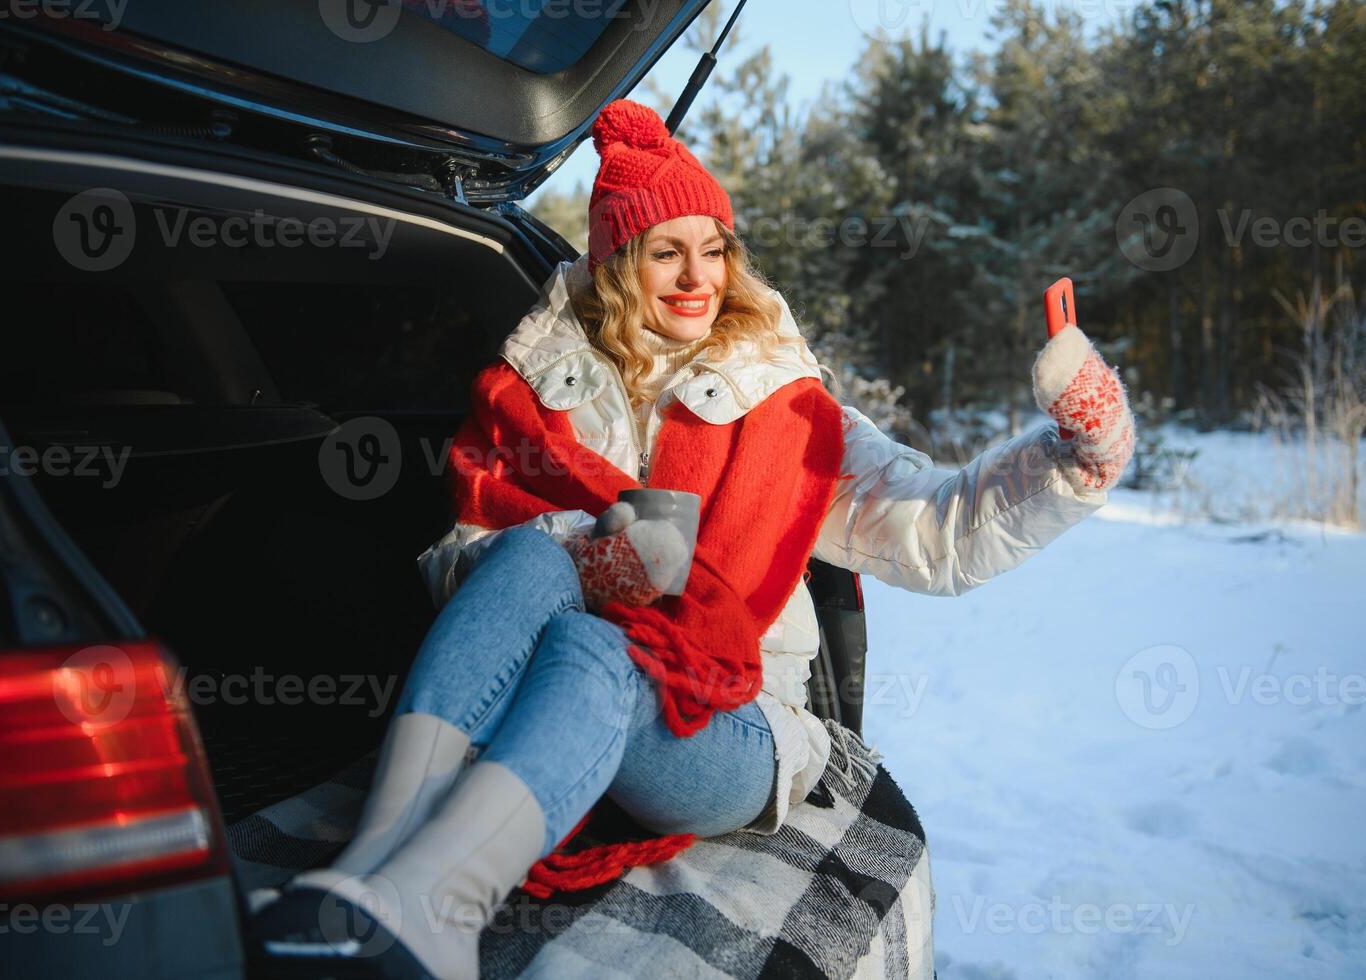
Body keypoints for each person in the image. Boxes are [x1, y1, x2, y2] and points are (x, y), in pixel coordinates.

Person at [252, 99, 1136, 979]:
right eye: (664, 252)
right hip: (536, 690)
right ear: (615, 262)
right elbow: (460, 566)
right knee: (527, 555)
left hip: (728, 727)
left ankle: (445, 908)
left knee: (597, 646)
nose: (694, 277)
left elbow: (937, 532)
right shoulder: (527, 397)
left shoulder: (786, 409)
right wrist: (587, 551)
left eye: (712, 249)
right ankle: (373, 867)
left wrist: (1075, 460)